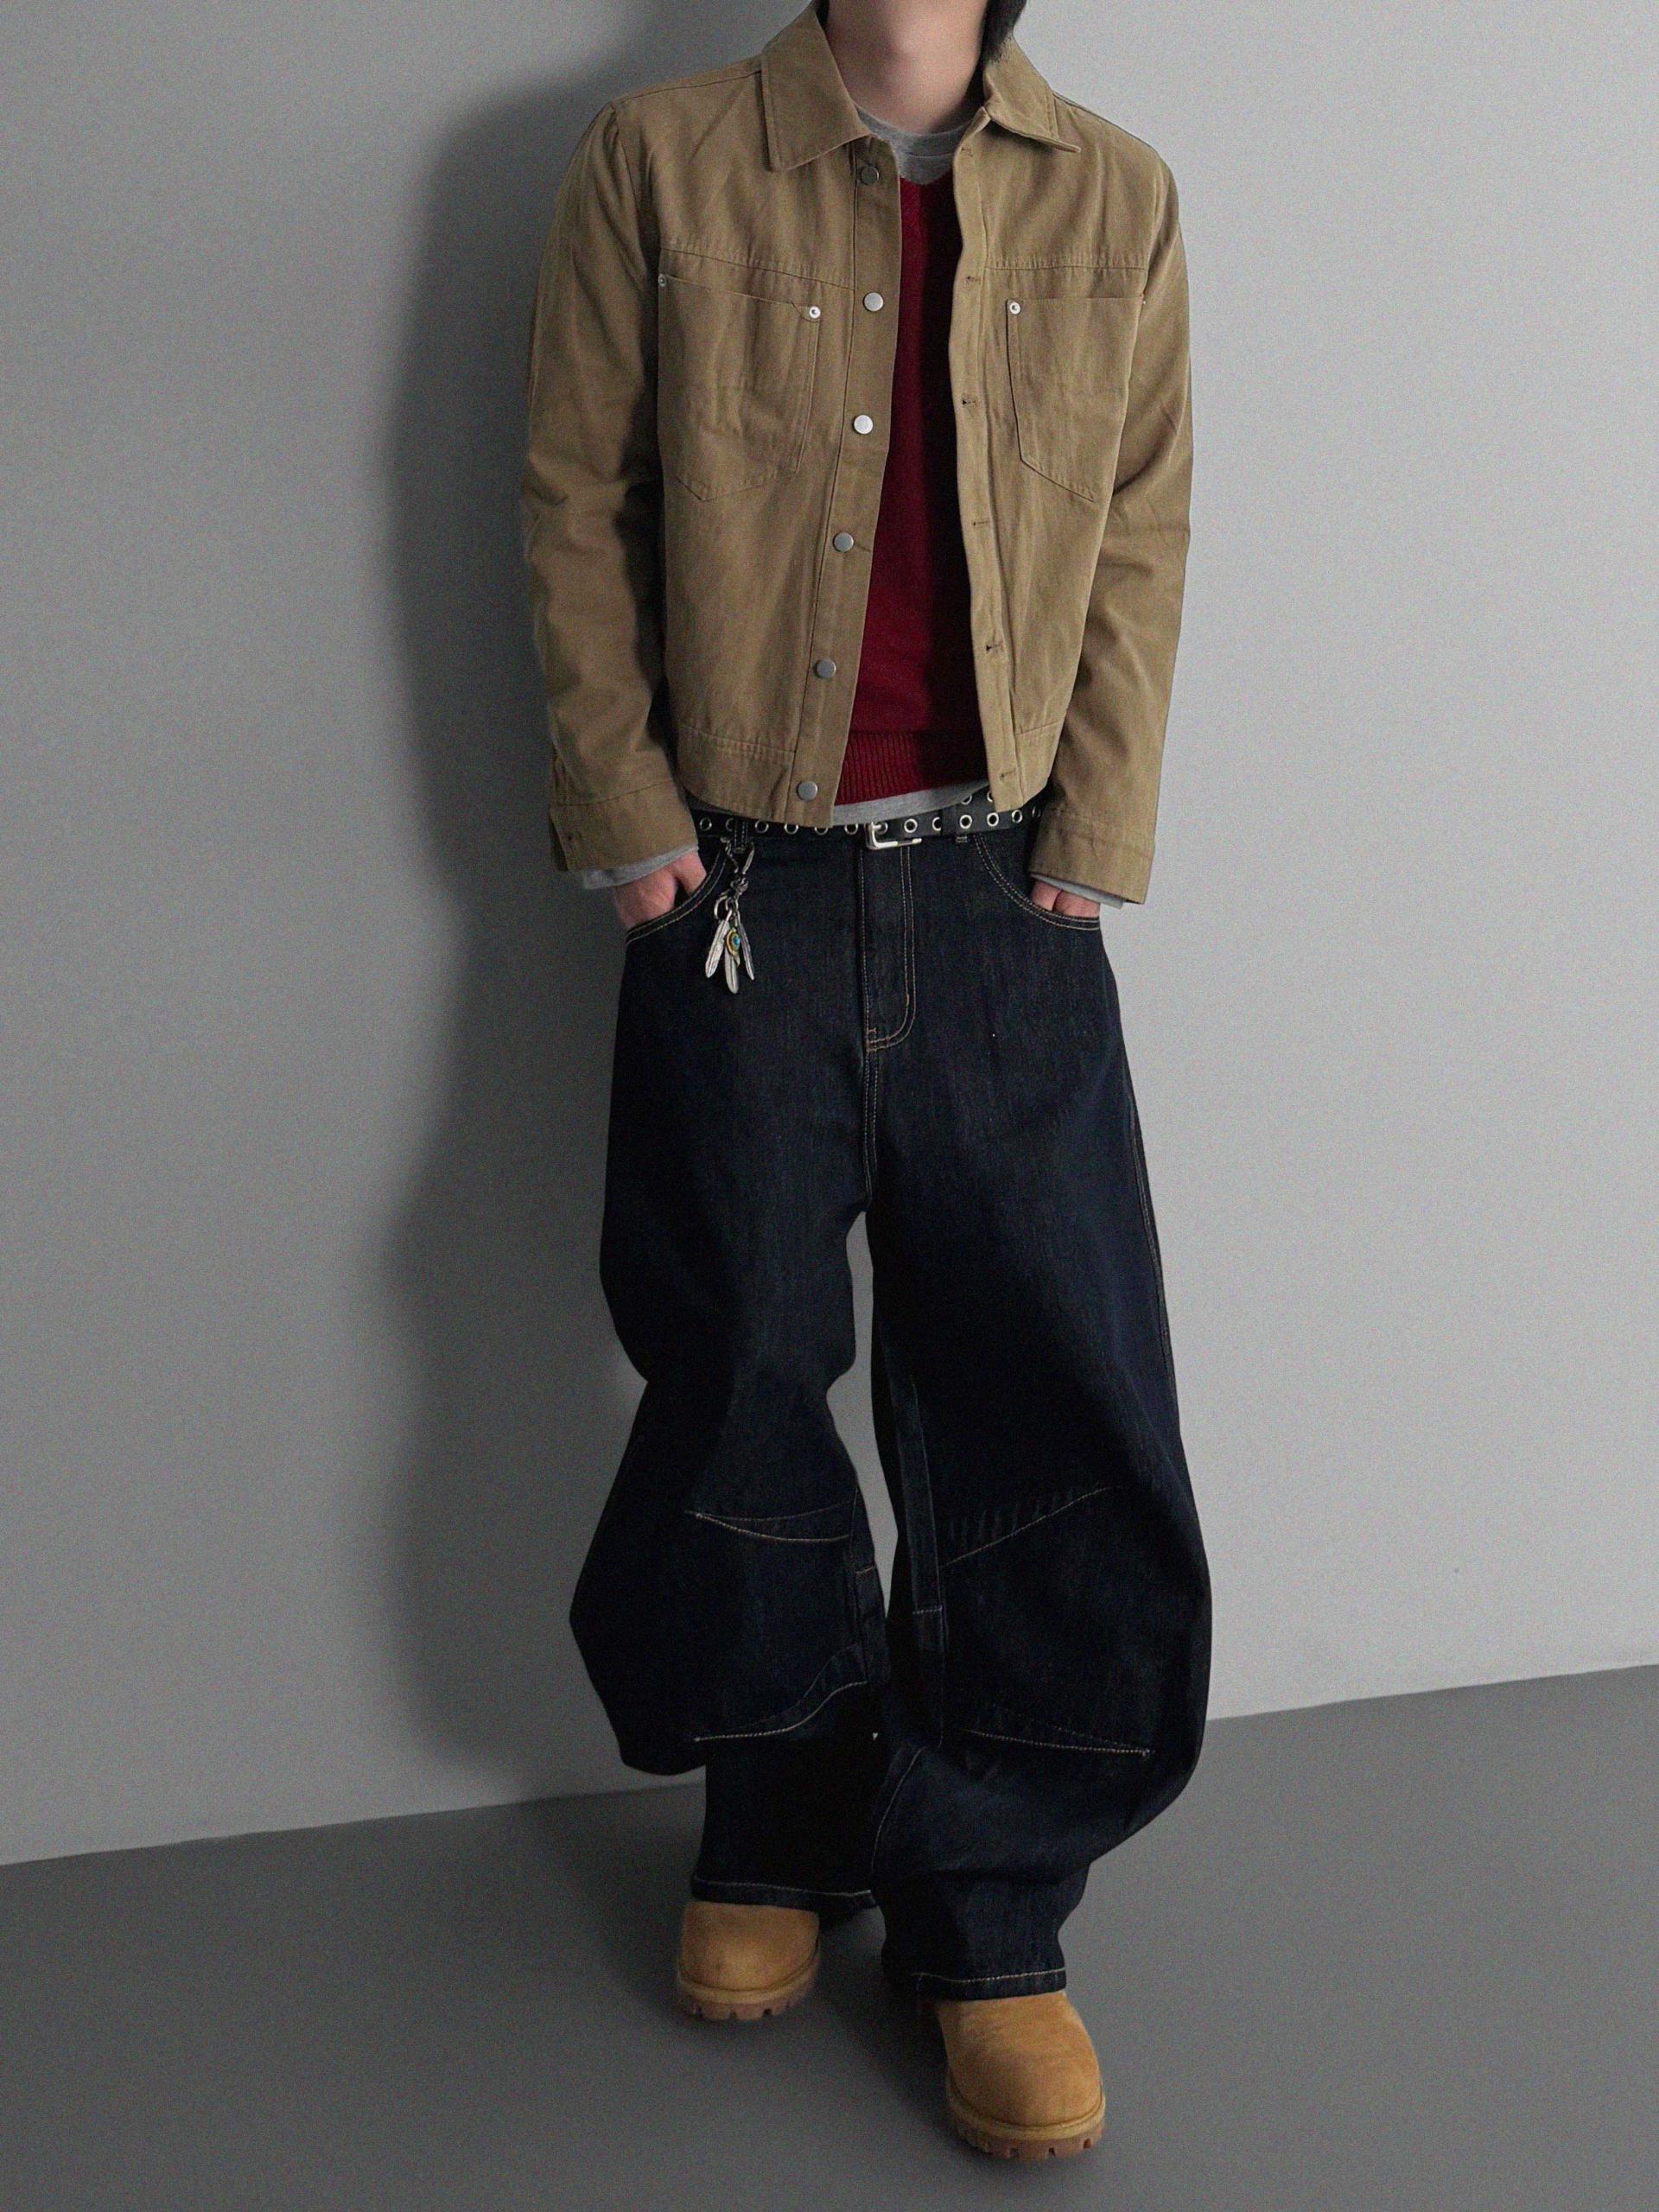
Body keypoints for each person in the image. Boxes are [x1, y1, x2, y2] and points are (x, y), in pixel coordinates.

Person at [519, 0, 1210, 2162]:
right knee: (735, 1358)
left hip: (1004, 888)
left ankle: (993, 1905)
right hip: (739, 882)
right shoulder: (656, 160)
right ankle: (778, 1811)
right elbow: (575, 496)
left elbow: (1142, 530)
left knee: (1043, 1382)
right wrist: (630, 817)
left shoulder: (1115, 194)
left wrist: (1096, 831)